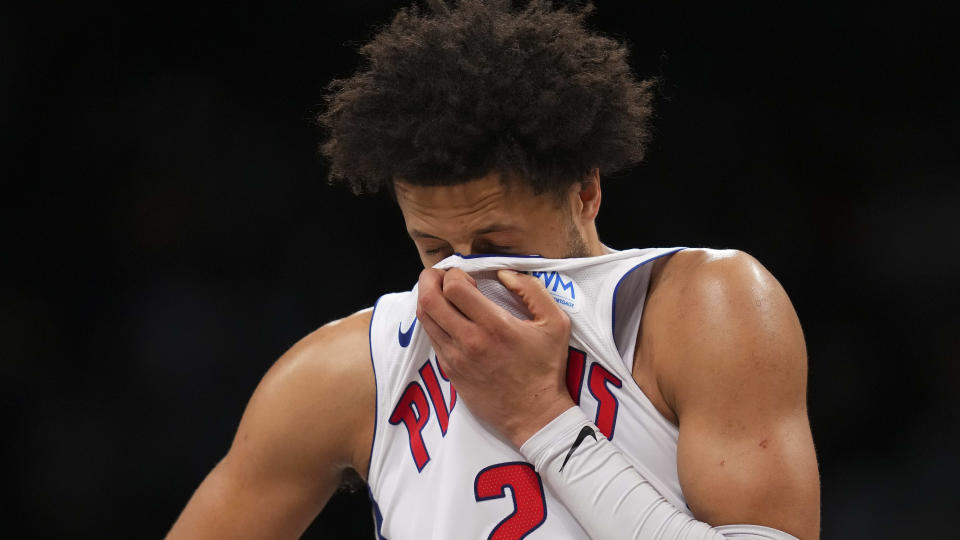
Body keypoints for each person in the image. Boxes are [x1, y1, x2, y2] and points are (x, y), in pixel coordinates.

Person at [167, 1, 820, 538]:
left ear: (585, 192)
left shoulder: (701, 304)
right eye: (432, 247)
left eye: (494, 244)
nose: (461, 277)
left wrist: (541, 416)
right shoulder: (348, 370)